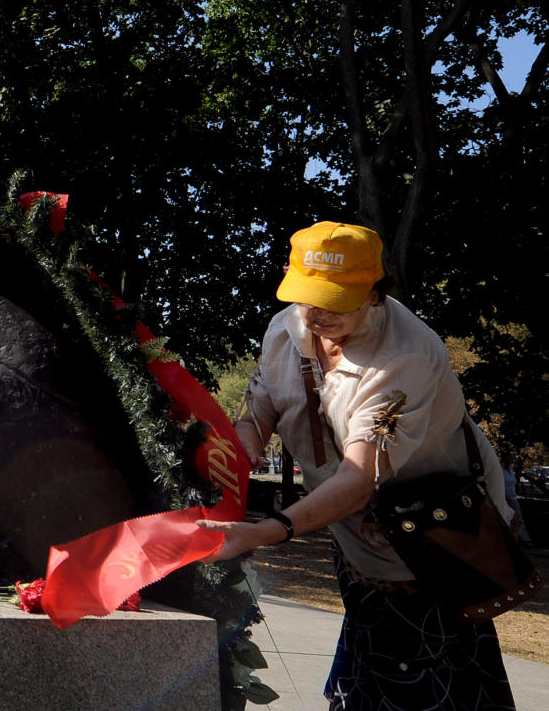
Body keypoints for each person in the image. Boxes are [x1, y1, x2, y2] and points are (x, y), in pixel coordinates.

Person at [198, 221, 516, 709]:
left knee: (421, 682)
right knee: (371, 667)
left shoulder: (402, 358)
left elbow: (356, 480)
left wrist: (262, 531)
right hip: (355, 537)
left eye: (336, 300)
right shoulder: (287, 326)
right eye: (309, 295)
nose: (317, 314)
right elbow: (260, 400)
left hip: (428, 544)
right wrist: (247, 440)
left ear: (375, 292)